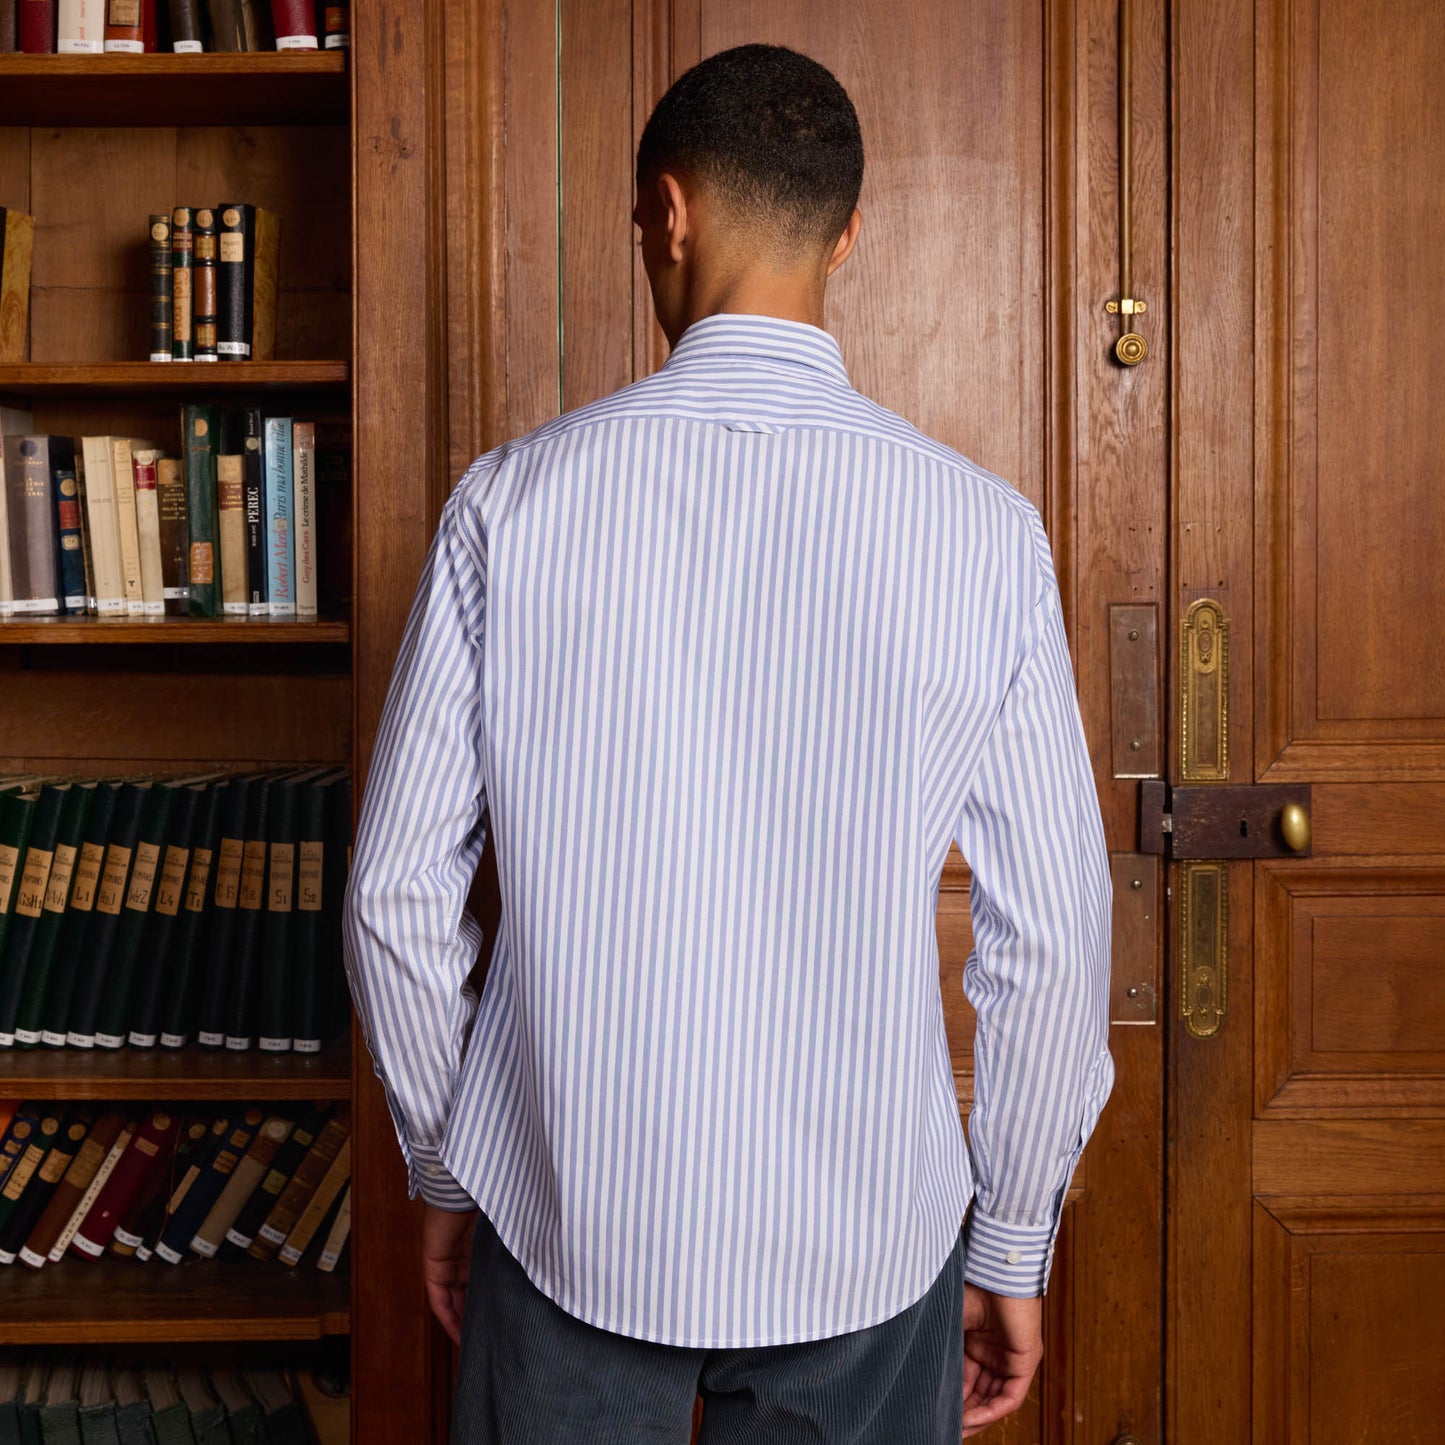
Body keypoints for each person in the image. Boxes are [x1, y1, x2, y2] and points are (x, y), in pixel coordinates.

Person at [343, 42, 1113, 1445]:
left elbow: (396, 896)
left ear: (670, 211)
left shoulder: (510, 506)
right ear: (848, 233)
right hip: (868, 1240)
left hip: (564, 1209)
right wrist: (1008, 1239)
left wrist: (448, 1173)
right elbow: (1052, 932)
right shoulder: (982, 532)